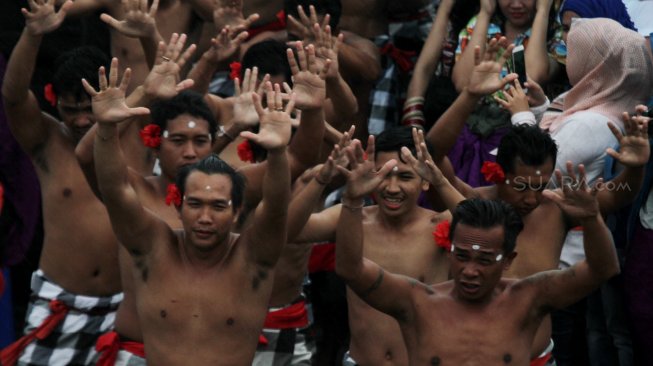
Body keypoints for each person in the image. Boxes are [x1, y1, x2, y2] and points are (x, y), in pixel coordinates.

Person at [84, 55, 296, 363]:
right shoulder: (152, 245)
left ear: (237, 212)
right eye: (194, 204)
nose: (205, 218)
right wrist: (105, 127)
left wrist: (277, 152)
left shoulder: (254, 256)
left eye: (218, 206)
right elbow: (115, 189)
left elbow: (276, 208)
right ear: (177, 204)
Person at [335, 136, 620, 364]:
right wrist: (351, 201)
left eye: (485, 259)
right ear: (449, 252)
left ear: (508, 261)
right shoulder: (418, 301)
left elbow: (602, 269)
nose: (470, 271)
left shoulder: (528, 299)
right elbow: (350, 269)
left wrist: (591, 219)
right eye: (462, 256)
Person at [0, 1, 124, 365]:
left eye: (91, 109)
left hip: (126, 306)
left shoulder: (131, 135)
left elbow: (163, 86)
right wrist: (33, 34)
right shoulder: (46, 141)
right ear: (55, 102)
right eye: (72, 110)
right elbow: (12, 95)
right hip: (58, 301)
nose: (83, 121)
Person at [288, 125, 451, 366]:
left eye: (405, 176)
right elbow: (288, 231)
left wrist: (442, 181)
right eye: (383, 175)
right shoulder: (352, 217)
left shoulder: (442, 223)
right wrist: (323, 177)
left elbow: (489, 226)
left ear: (425, 181)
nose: (392, 188)